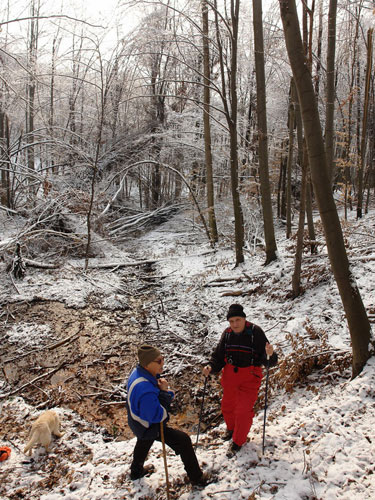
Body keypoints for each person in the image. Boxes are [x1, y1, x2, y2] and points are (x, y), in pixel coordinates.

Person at [126, 344, 209, 486]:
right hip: (147, 424)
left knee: (144, 441)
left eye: (162, 358)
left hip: (137, 420)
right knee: (183, 441)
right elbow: (158, 416)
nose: (163, 363)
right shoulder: (144, 389)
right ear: (147, 364)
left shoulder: (138, 373)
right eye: (158, 361)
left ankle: (136, 471)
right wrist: (165, 393)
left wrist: (162, 390)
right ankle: (197, 478)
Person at [202, 304, 278, 457]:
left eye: (237, 320)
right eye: (231, 321)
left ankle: (238, 441)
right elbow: (218, 356)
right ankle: (231, 429)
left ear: (244, 319)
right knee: (227, 407)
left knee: (243, 411)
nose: (235, 324)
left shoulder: (255, 333)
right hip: (230, 375)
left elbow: (269, 360)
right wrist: (210, 367)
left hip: (250, 377)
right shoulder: (228, 334)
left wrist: (271, 354)